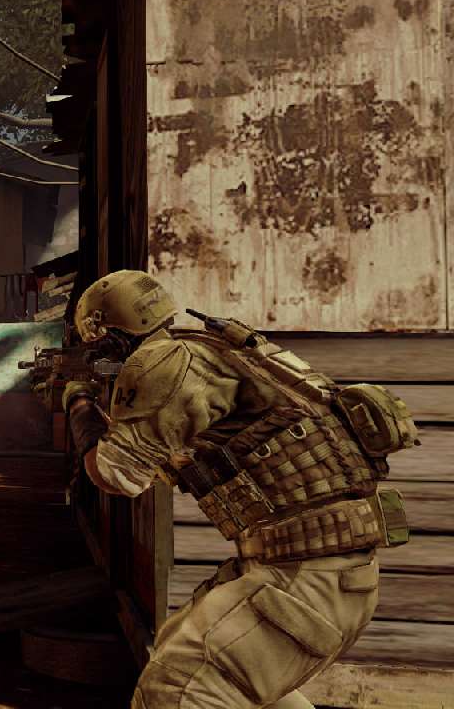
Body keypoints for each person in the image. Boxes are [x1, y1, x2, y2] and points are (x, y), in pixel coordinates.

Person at [62, 270, 417, 709]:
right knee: (197, 657)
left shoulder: (163, 361)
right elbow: (164, 460)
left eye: (96, 345)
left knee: (174, 691)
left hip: (303, 581)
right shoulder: (220, 349)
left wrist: (78, 402)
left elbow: (116, 475)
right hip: (332, 577)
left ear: (110, 335)